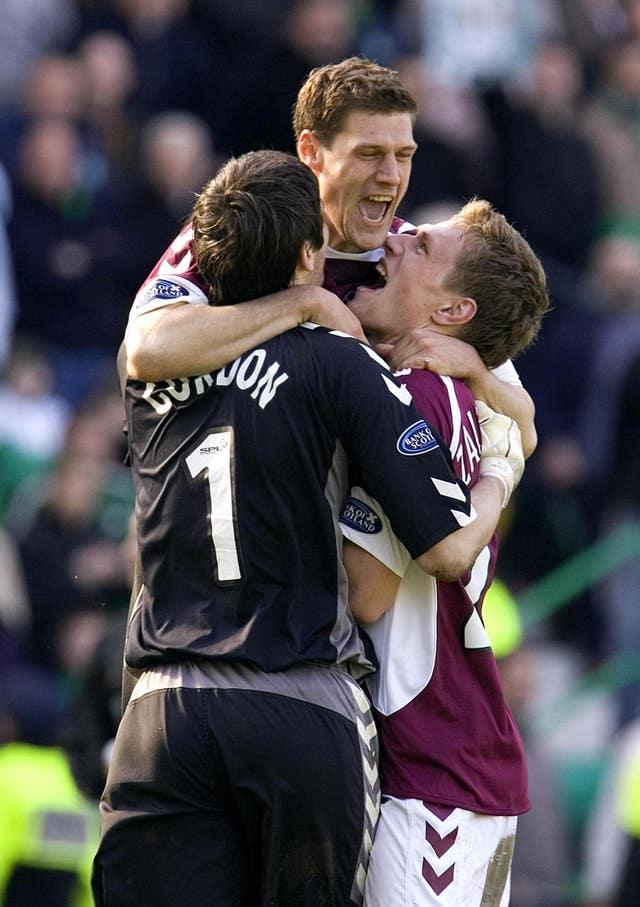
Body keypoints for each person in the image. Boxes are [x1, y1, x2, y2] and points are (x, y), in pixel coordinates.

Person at [94, 150, 523, 907]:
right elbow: (406, 572)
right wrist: (503, 463)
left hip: (166, 700)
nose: (392, 238)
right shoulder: (364, 370)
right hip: (333, 712)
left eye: (421, 243)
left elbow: (143, 341)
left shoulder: (153, 370)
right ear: (305, 258)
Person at [123, 56, 537, 458]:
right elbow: (145, 352)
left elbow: (525, 429)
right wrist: (304, 302)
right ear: (312, 151)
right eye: (370, 154)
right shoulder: (244, 226)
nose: (391, 175)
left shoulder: (412, 258)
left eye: (404, 155)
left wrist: (477, 373)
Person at [338, 199, 550, 906]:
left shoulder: (419, 395)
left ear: (454, 311)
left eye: (421, 246)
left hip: (432, 774)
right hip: (458, 763)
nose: (395, 245)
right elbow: (523, 429)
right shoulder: (466, 391)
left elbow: (365, 591)